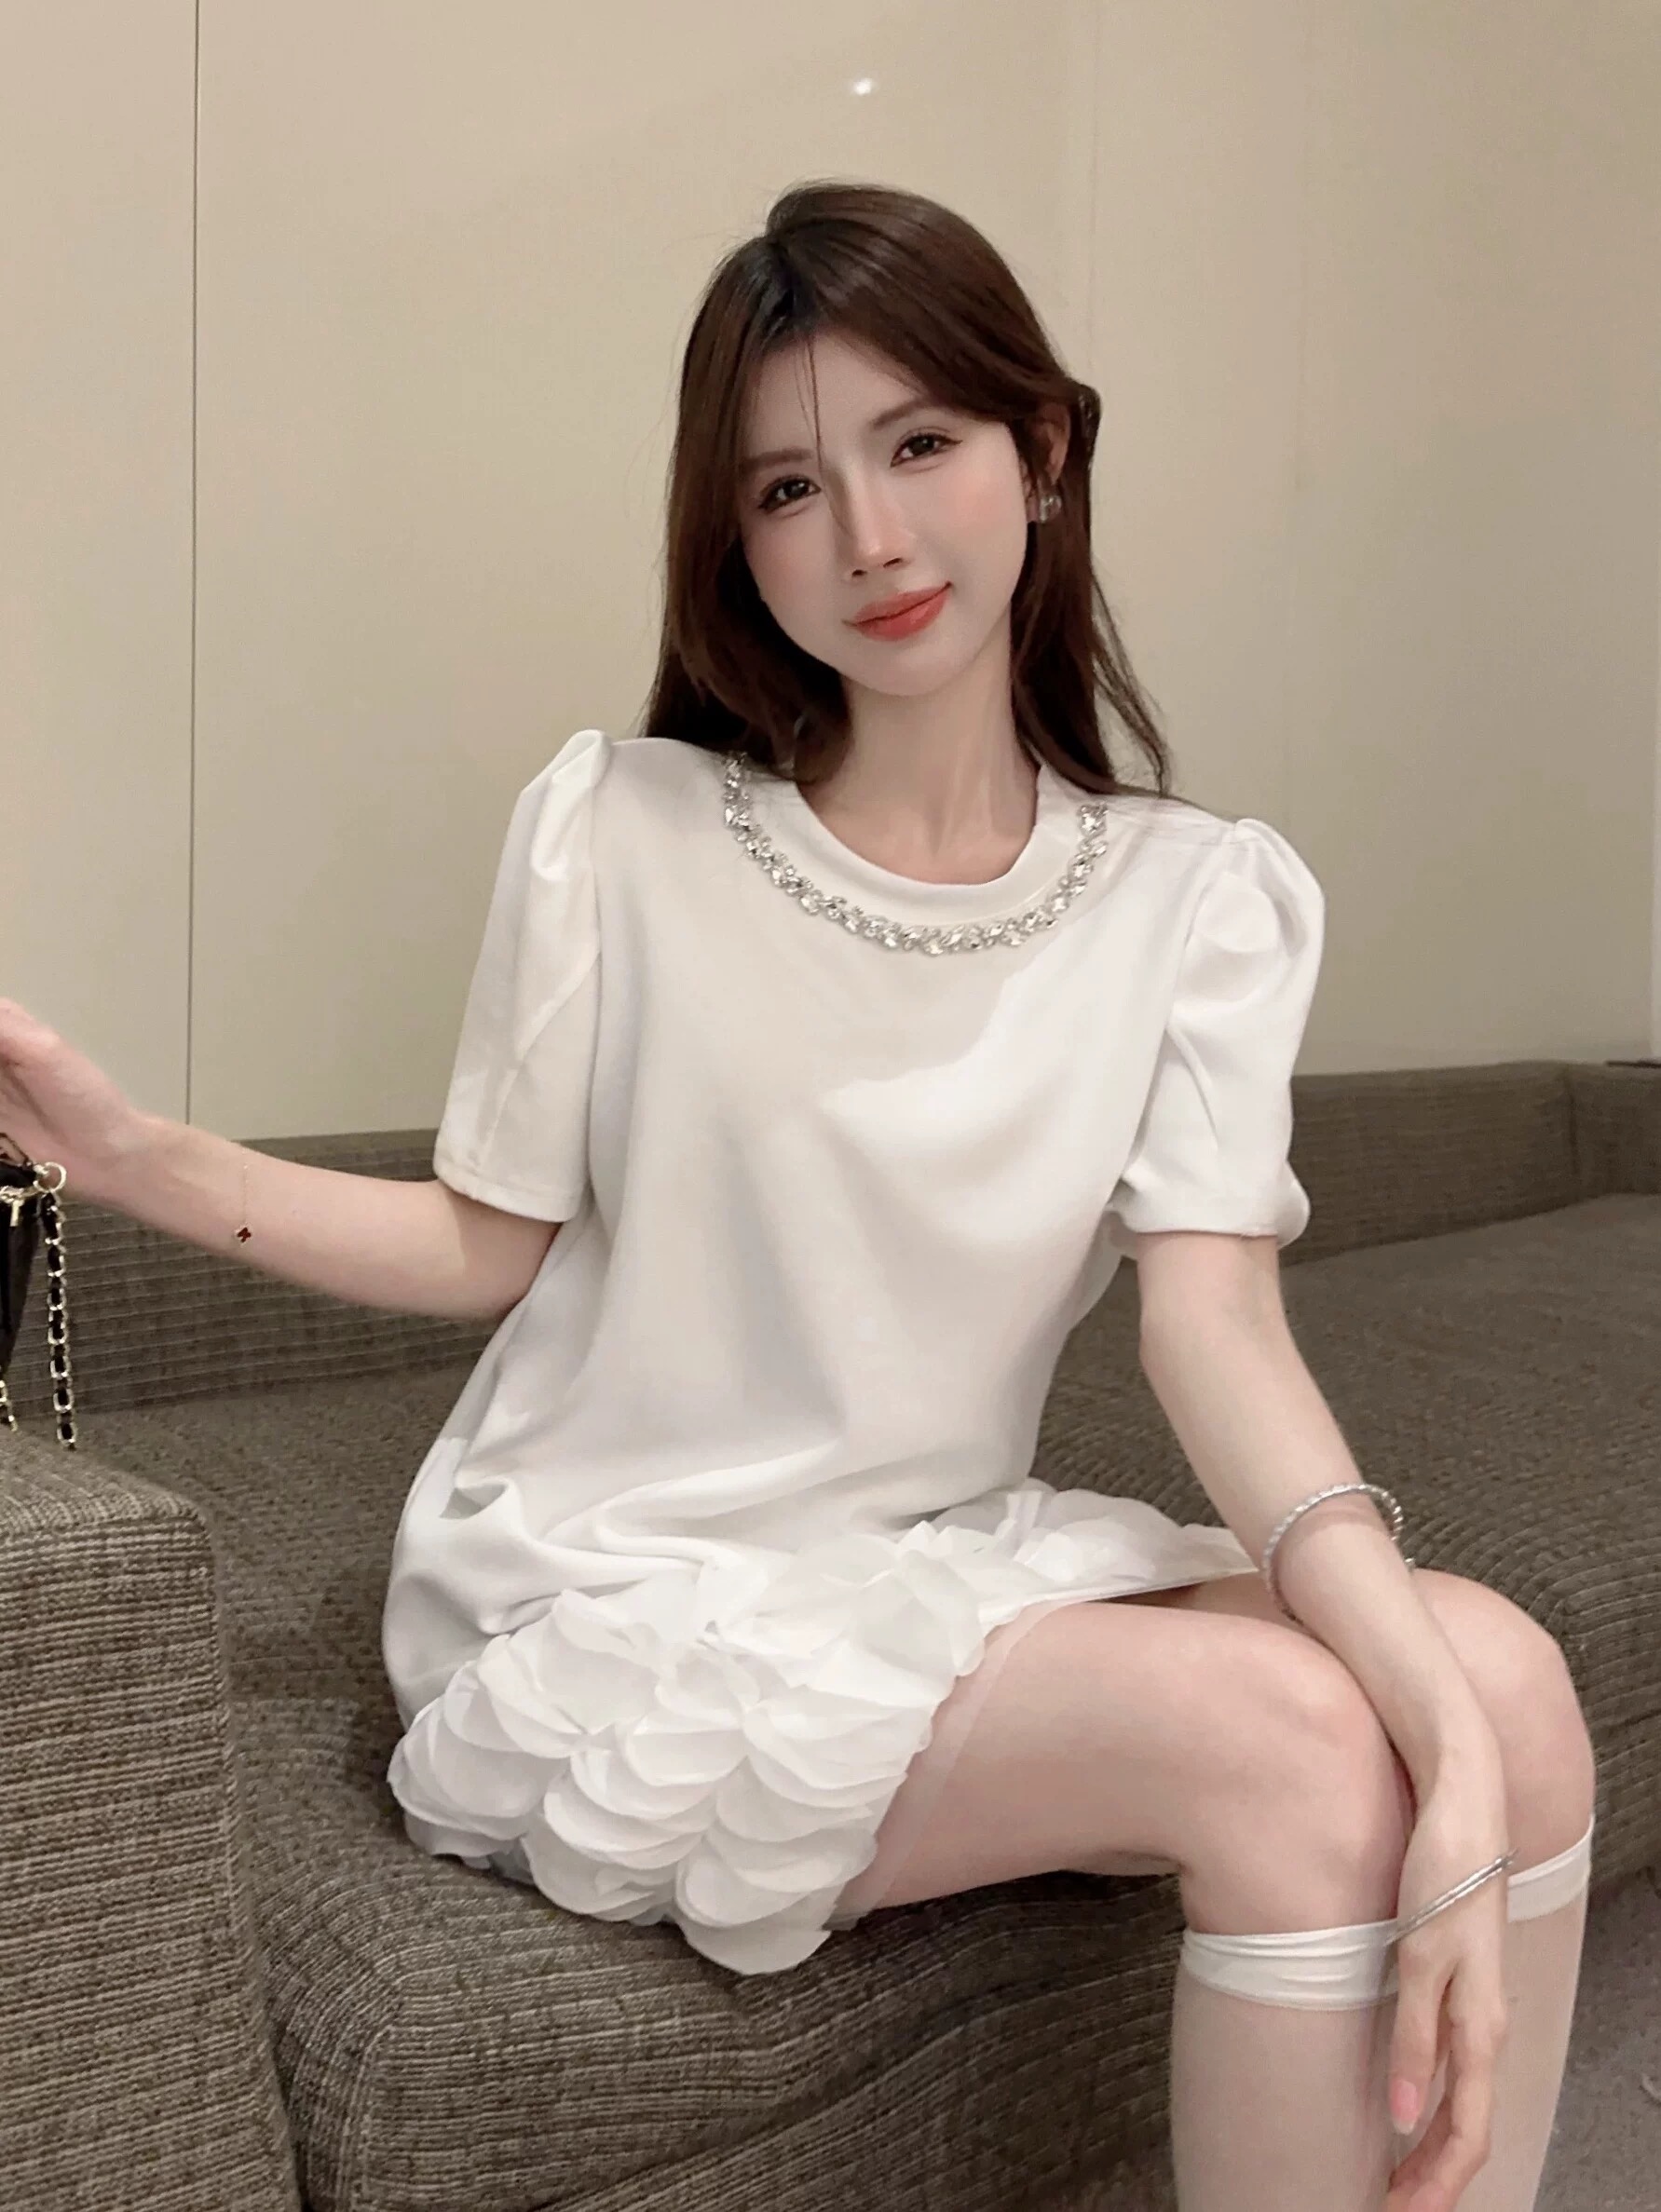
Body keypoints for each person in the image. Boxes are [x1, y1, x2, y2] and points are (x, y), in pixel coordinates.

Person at [0, 182, 1596, 2211]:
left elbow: (1215, 1329)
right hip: (616, 1602)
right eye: (787, 487)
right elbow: (487, 1243)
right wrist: (127, 1157)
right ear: (732, 539)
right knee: (1283, 1745)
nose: (870, 539)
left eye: (920, 444)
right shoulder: (624, 831)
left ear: (1044, 446)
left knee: (1507, 1693)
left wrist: (1441, 1728)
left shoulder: (1197, 897)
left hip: (925, 1570)